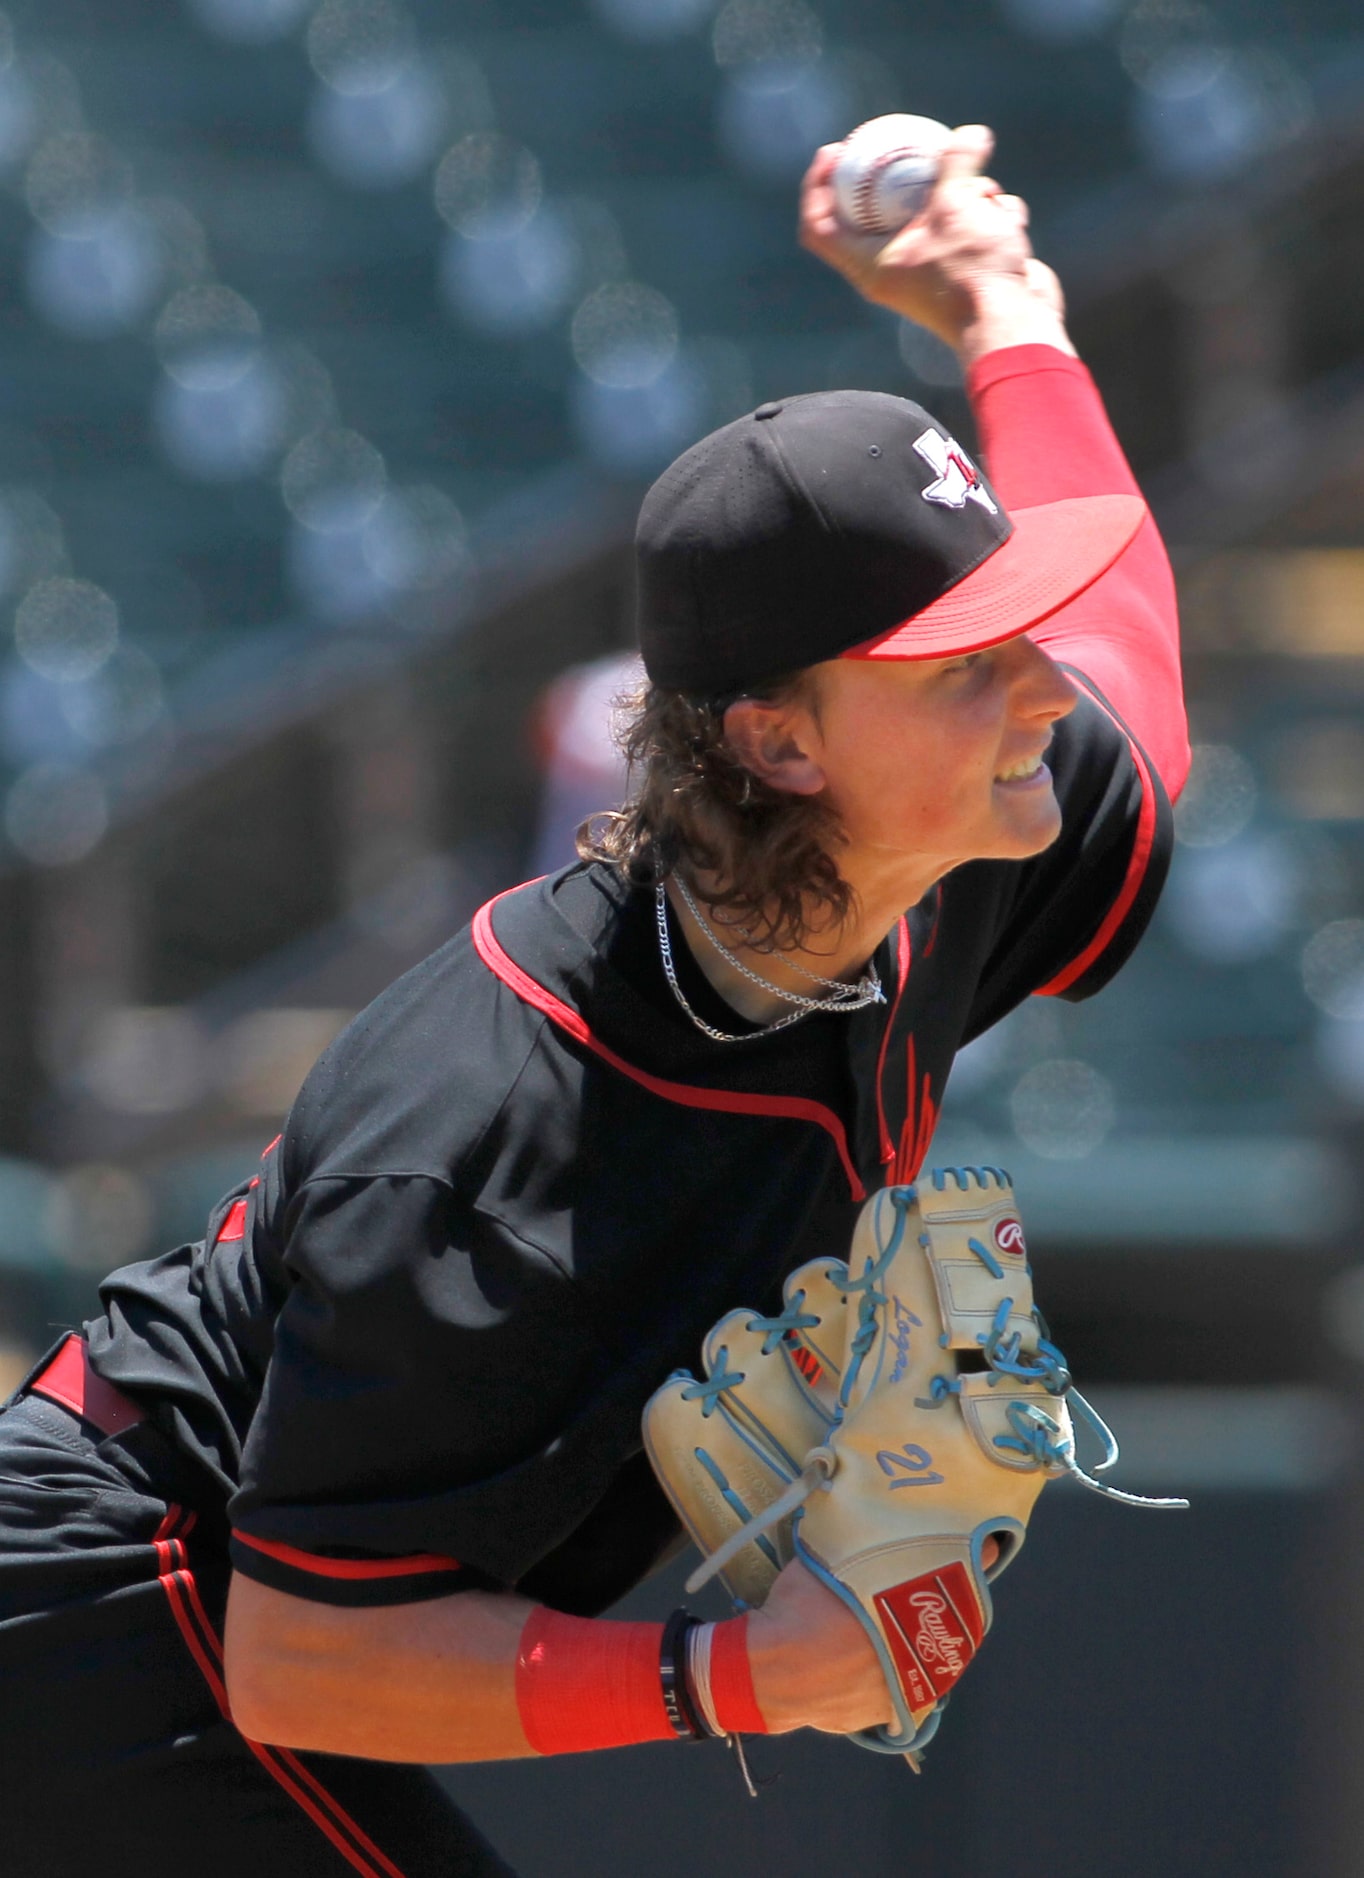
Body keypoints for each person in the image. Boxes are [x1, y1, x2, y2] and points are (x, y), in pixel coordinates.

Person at [0, 128, 1188, 1876]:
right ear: (779, 741)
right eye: (970, 657)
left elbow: (1136, 668)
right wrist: (731, 1675)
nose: (1038, 688)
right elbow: (305, 1655)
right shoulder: (496, 1130)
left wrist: (1006, 303)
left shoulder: (961, 842)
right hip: (129, 1598)